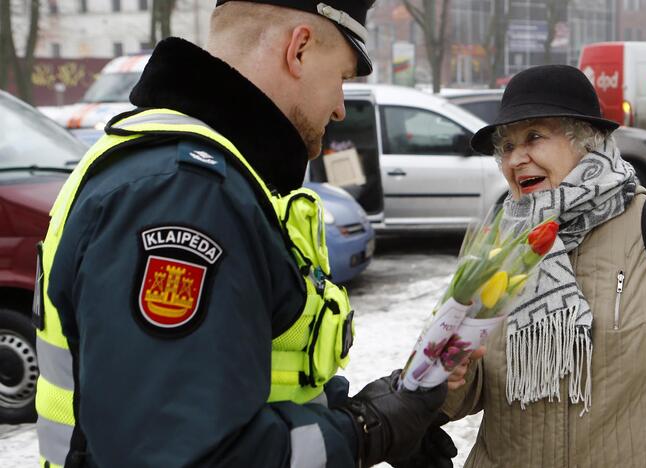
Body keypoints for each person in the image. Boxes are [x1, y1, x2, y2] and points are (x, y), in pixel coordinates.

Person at [34, 1, 450, 466]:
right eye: (342, 79)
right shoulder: (182, 195)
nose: (338, 108)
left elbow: (252, 376)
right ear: (300, 49)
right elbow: (183, 454)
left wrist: (358, 411)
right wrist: (365, 431)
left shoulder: (214, 176)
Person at [442, 65, 646, 467]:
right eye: (506, 146)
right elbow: (468, 391)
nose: (516, 159)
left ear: (587, 142)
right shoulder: (500, 246)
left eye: (534, 137)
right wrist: (450, 376)